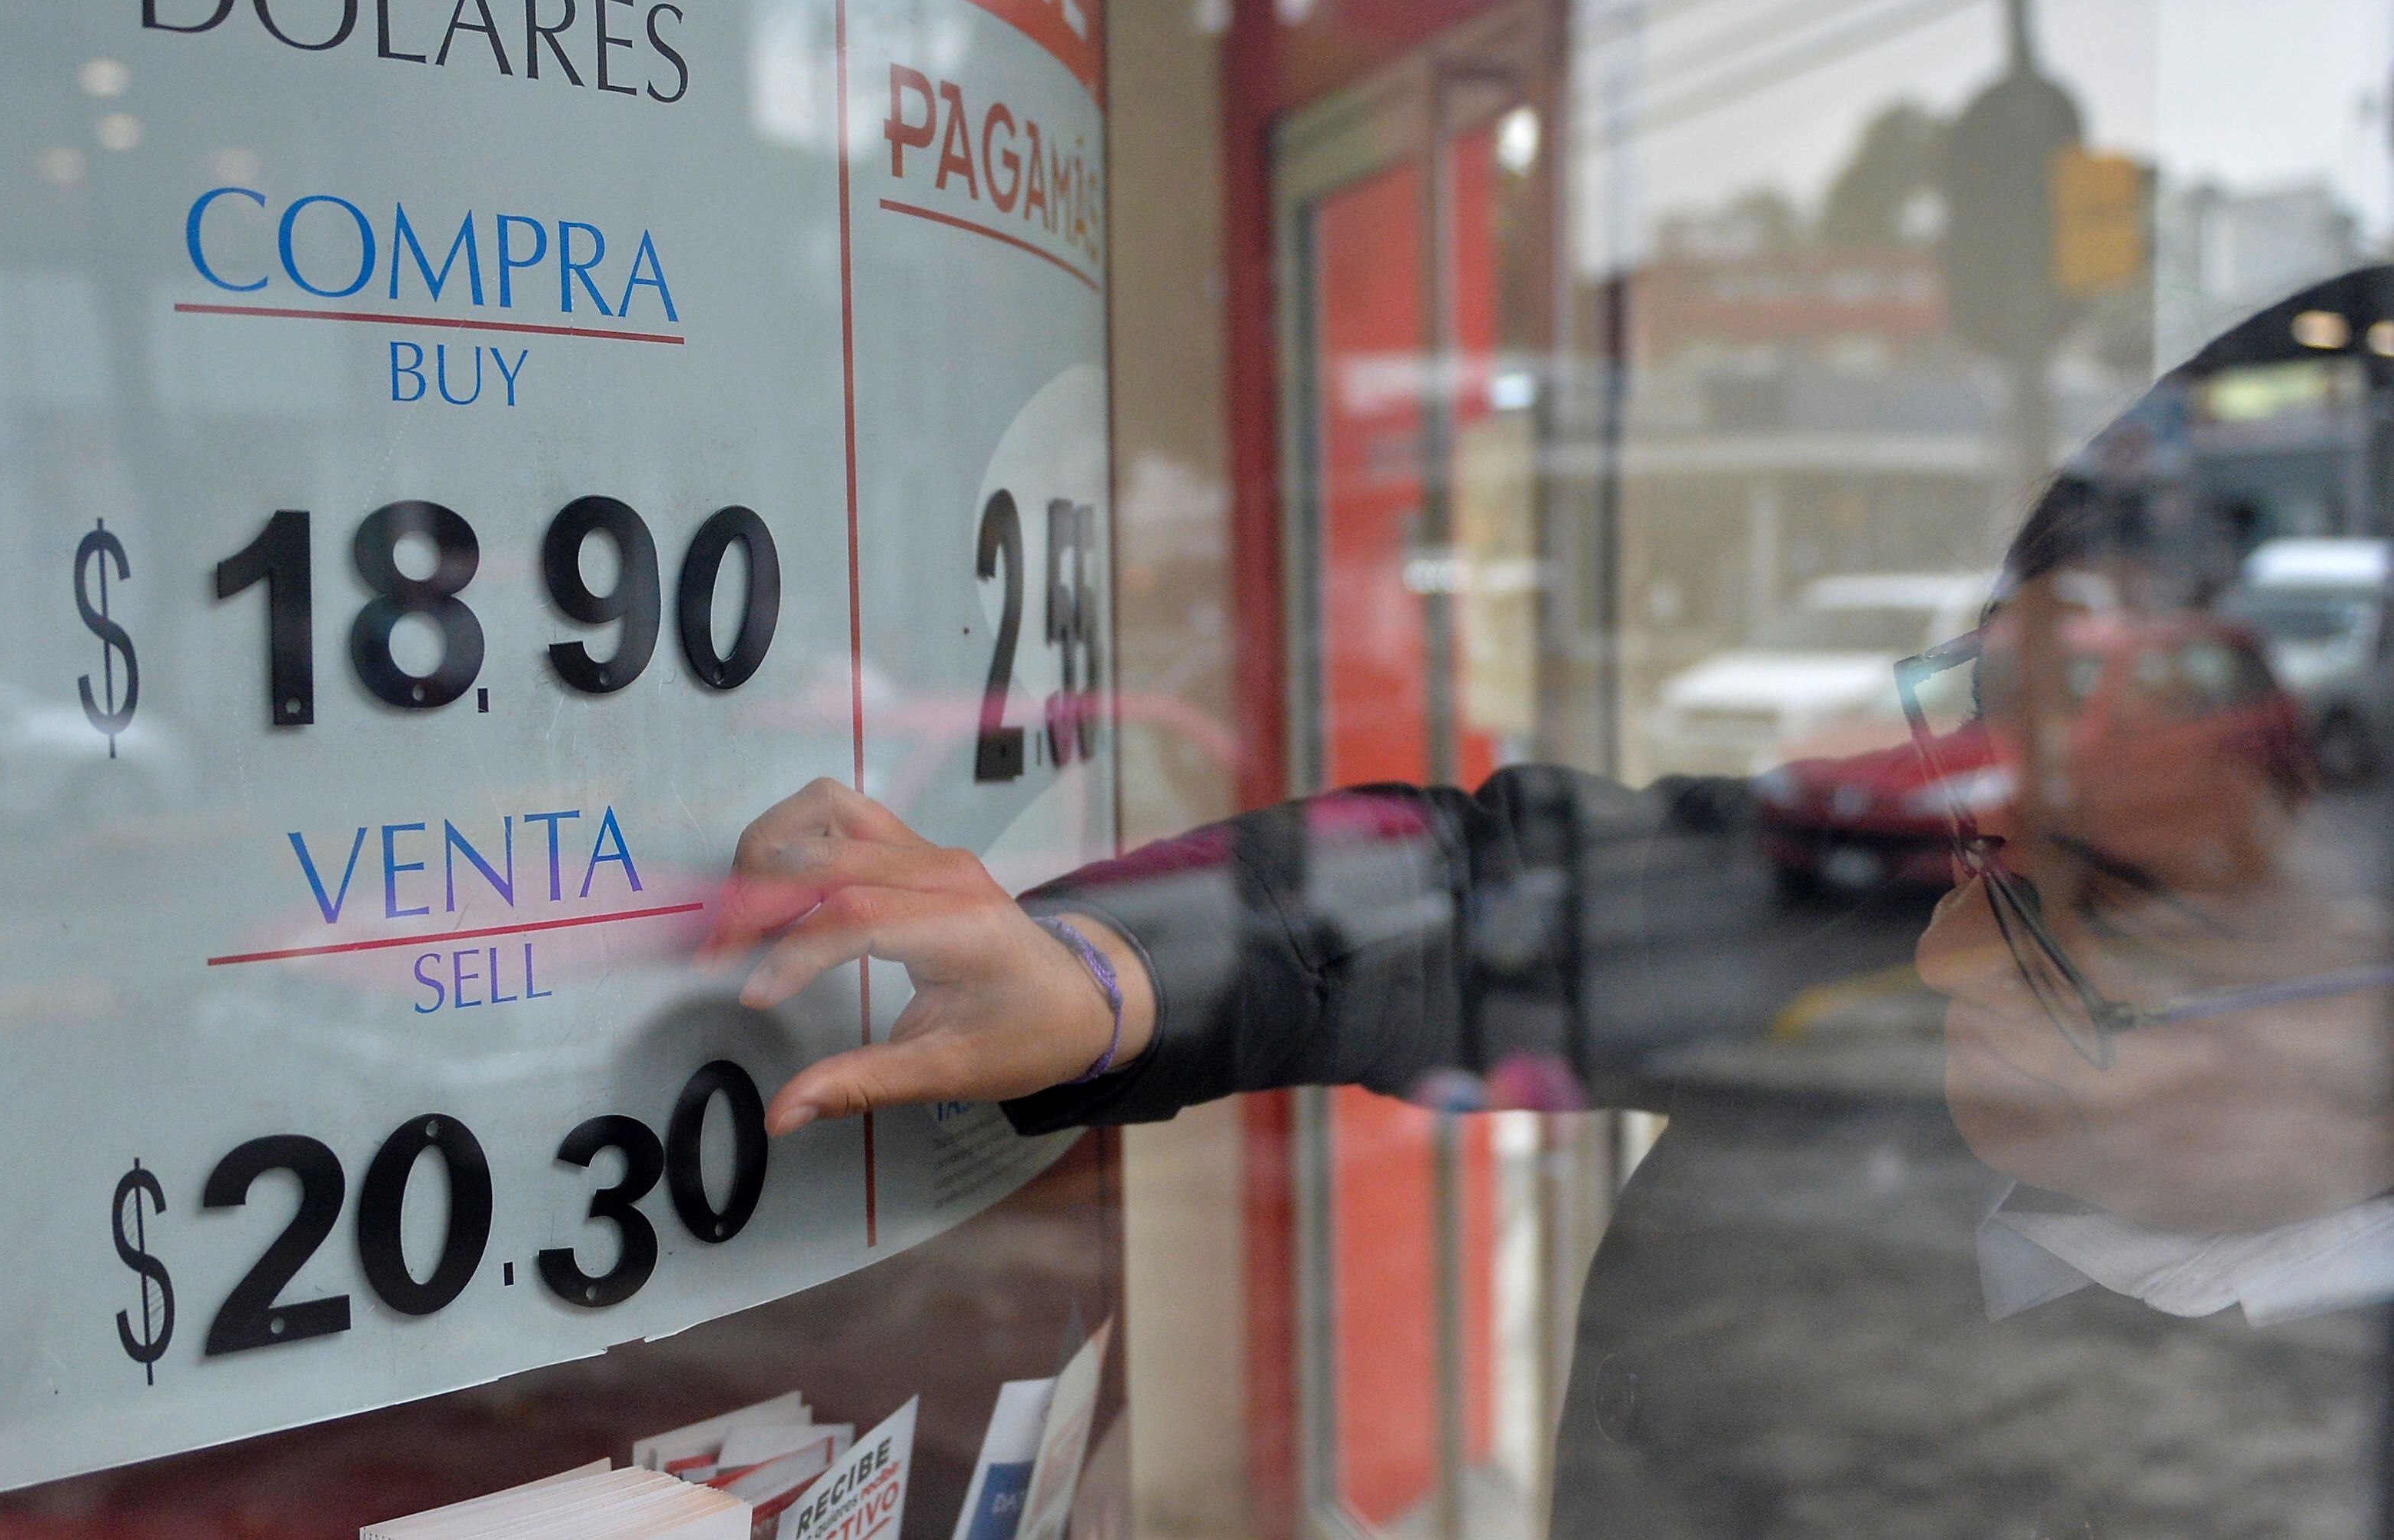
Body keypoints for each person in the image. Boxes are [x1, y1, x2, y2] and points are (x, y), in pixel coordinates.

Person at [711, 268, 2394, 1534]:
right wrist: (1100, 972)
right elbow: (1477, 891)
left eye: (2098, 920)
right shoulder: (1899, 896)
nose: (1946, 949)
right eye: (1982, 805)